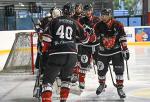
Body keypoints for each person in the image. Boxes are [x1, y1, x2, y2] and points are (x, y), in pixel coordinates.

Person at [41, 3, 92, 102]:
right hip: (71, 56)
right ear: (72, 12)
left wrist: (45, 51)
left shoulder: (53, 21)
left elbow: (46, 39)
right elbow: (85, 40)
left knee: (47, 82)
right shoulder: (75, 22)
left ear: (62, 11)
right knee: (66, 81)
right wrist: (88, 33)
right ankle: (63, 100)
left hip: (56, 54)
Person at [94, 8, 130, 98]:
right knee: (101, 70)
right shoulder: (97, 25)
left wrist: (125, 49)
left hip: (116, 51)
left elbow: (122, 37)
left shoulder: (118, 24)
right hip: (103, 52)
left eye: (105, 15)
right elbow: (95, 38)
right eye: (101, 15)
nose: (103, 17)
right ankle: (102, 84)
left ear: (110, 15)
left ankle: (120, 87)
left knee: (119, 70)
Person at [77, 4, 100, 89]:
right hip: (85, 46)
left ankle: (101, 82)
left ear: (92, 10)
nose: (88, 12)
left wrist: (96, 36)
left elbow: (101, 31)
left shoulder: (97, 19)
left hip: (96, 45)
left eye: (89, 10)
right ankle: (81, 80)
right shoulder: (81, 20)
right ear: (84, 11)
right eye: (86, 10)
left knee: (100, 64)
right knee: (83, 63)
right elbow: (78, 32)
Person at [71, 3, 83, 83]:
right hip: (74, 41)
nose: (78, 9)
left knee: (81, 59)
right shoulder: (71, 18)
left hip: (82, 41)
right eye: (77, 8)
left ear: (81, 9)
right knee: (74, 58)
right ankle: (75, 74)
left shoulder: (84, 18)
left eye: (79, 8)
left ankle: (81, 75)